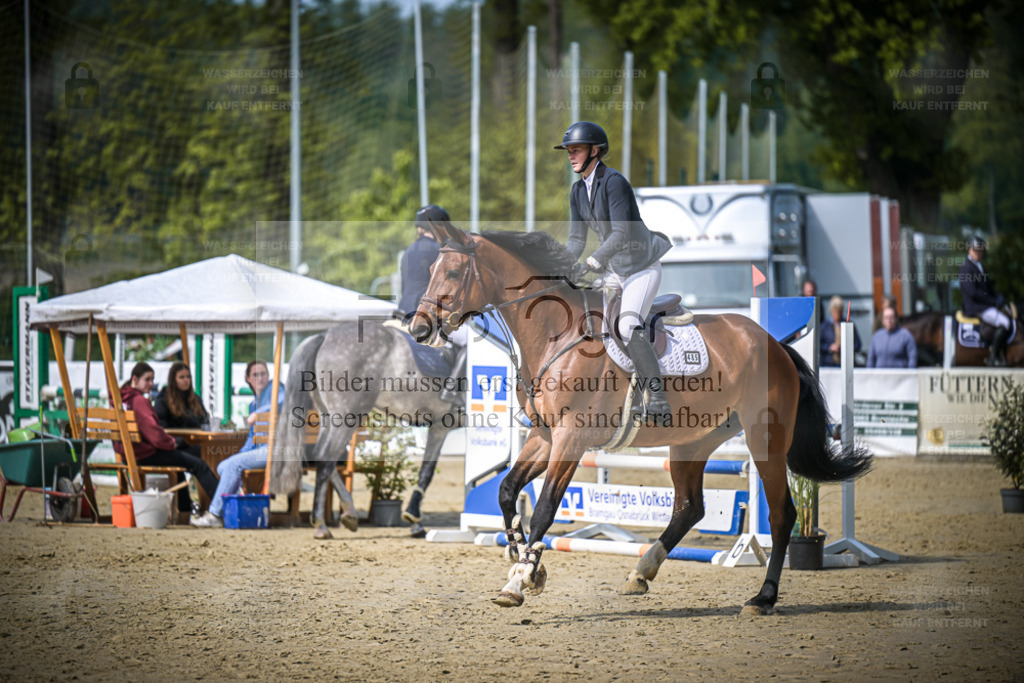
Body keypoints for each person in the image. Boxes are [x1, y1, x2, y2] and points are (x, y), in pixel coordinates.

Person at [556, 121, 675, 425]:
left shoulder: (614, 182)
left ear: (595, 151)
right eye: (569, 151)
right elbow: (576, 239)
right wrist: (559, 266)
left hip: (640, 267)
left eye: (576, 150)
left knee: (627, 325)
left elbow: (621, 233)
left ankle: (658, 399)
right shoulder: (577, 190)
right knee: (590, 320)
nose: (571, 155)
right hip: (614, 270)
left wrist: (592, 263)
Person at [115, 362, 219, 516]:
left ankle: (185, 510)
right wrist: (171, 443)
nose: (151, 384)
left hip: (131, 453)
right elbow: (154, 432)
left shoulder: (121, 401)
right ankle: (223, 505)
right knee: (199, 463)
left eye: (152, 380)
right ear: (135, 379)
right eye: (147, 379)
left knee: (192, 459)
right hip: (147, 453)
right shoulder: (144, 401)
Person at [191, 360, 284, 527]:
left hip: (280, 449)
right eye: (255, 375)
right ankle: (236, 508)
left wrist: (258, 414)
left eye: (263, 374)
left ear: (268, 375)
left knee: (233, 466)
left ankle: (215, 514)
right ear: (247, 378)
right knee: (223, 466)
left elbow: (283, 401)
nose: (260, 378)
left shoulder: (276, 388)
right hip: (263, 450)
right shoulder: (253, 404)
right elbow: (251, 439)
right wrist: (239, 456)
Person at [392, 204, 466, 406]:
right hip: (426, 313)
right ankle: (452, 392)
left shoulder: (407, 251)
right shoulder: (439, 251)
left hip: (402, 312)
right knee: (470, 340)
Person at [958, 236, 1010, 367]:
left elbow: (988, 288)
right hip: (976, 307)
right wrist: (993, 301)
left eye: (980, 250)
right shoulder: (965, 268)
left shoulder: (979, 266)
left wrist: (999, 296)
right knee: (1005, 322)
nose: (978, 252)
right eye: (975, 250)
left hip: (984, 304)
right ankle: (993, 358)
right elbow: (973, 292)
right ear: (969, 250)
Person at [155, 362, 209, 429]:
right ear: (173, 380)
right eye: (181, 377)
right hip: (173, 435)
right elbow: (161, 424)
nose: (186, 380)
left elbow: (205, 420)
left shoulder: (196, 399)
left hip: (196, 434)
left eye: (188, 377)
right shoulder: (164, 399)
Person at [819, 295, 862, 367]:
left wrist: (845, 348)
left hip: (846, 363)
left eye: (839, 312)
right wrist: (829, 347)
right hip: (828, 364)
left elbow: (858, 344)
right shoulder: (824, 327)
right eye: (835, 311)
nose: (837, 315)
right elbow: (818, 345)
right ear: (831, 311)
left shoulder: (849, 325)